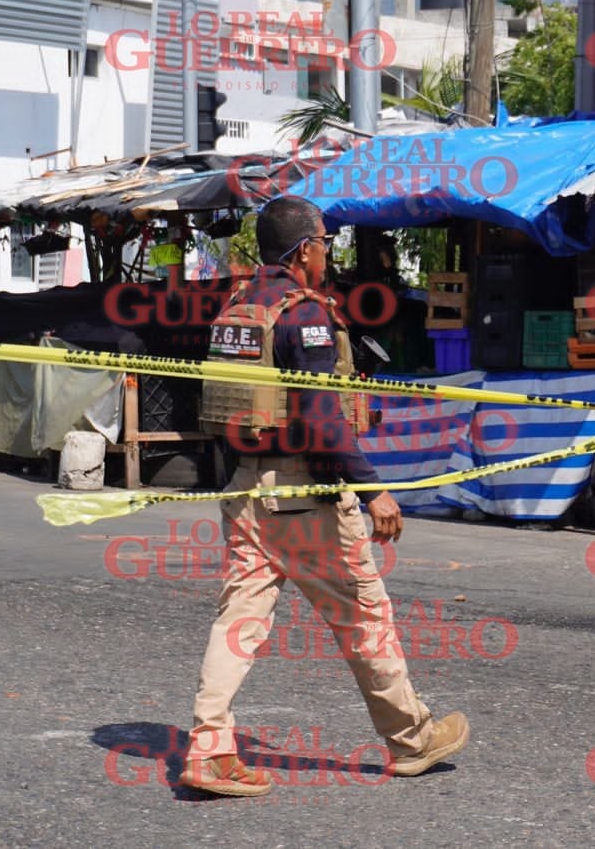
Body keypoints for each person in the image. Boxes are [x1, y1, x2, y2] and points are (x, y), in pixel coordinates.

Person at [179, 196, 469, 797]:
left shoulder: (236, 307)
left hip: (245, 489)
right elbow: (320, 417)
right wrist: (373, 491)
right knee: (364, 616)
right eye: (324, 243)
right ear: (304, 249)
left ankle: (208, 748)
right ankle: (412, 741)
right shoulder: (304, 313)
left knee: (238, 620)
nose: (327, 254)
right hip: (304, 496)